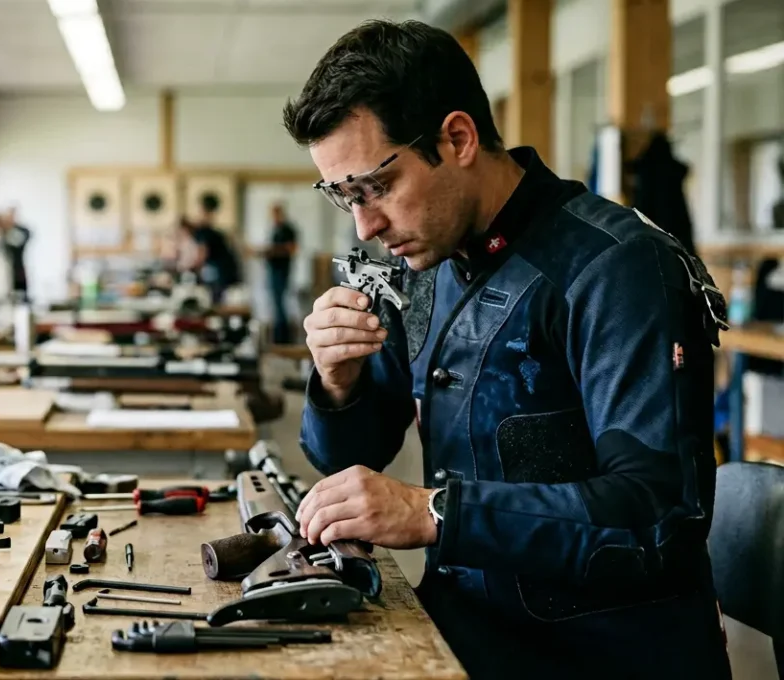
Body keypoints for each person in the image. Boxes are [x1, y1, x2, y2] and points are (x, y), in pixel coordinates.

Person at [286, 20, 730, 679]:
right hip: (461, 635)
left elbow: (657, 518)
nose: (367, 226)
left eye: (377, 187)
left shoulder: (617, 267)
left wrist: (432, 510)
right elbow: (349, 462)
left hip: (602, 660)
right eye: (346, 197)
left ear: (458, 138)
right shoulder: (424, 266)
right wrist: (337, 382)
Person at [182, 199, 241, 305]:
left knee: (216, 299)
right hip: (224, 268)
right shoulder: (206, 230)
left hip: (221, 270)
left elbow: (202, 253)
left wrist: (191, 267)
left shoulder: (202, 232)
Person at [260, 203, 299, 343]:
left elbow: (292, 249)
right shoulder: (274, 229)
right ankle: (278, 337)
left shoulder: (287, 229)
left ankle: (283, 338)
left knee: (280, 304)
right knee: (275, 305)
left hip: (281, 272)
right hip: (272, 271)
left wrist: (270, 251)